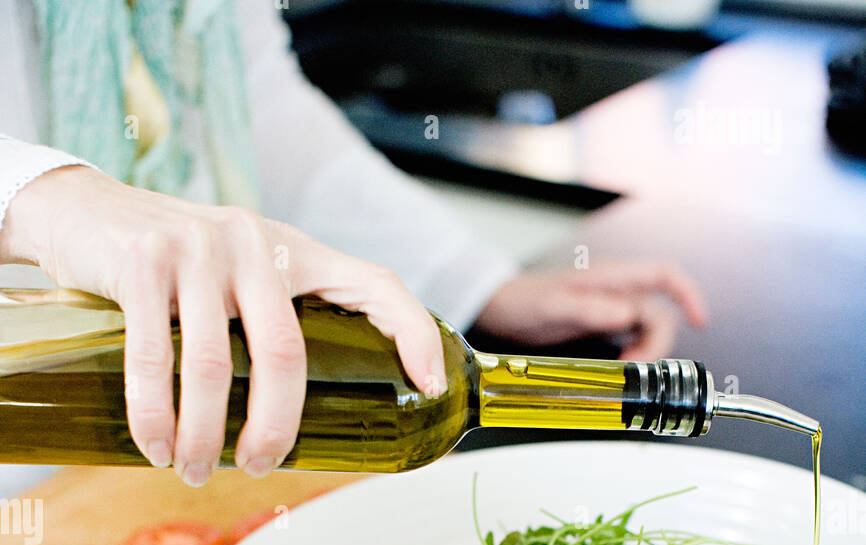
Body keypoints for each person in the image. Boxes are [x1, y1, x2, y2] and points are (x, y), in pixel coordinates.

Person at [0, 0, 706, 486]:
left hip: (183, 436)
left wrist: (480, 284)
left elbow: (251, 97)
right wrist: (46, 196)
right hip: (30, 431)